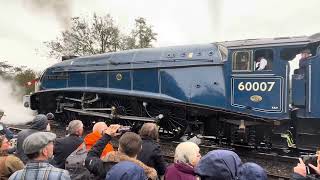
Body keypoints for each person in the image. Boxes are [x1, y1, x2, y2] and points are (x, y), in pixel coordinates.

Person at [85, 127, 157, 180]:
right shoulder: (145, 174)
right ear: (140, 149)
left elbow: (91, 155)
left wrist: (107, 136)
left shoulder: (102, 166)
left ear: (119, 147)